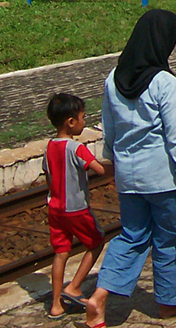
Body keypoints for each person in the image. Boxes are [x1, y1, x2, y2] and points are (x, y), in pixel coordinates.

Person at [81, 9, 176, 328]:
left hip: (129, 177)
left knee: (131, 236)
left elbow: (109, 128)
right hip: (164, 179)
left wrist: (112, 162)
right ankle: (170, 303)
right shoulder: (166, 84)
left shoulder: (113, 79)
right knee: (174, 238)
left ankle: (99, 297)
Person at [44, 93, 106, 318]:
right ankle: (75, 285)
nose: (84, 121)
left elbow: (48, 176)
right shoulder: (76, 148)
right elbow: (99, 169)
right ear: (71, 122)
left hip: (55, 208)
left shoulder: (50, 146)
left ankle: (55, 304)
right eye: (82, 117)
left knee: (60, 253)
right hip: (76, 209)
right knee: (97, 241)